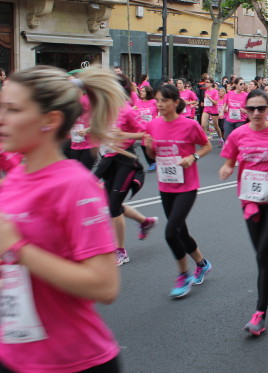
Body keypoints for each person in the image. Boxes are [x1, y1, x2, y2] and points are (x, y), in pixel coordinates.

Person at [0, 66, 124, 372]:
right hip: (13, 356)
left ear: (50, 120)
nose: (2, 118)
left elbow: (104, 286)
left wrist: (18, 247)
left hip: (74, 362)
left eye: (13, 110)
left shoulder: (74, 185)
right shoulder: (14, 180)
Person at [219, 89, 268, 335]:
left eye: (261, 108)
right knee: (261, 251)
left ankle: (260, 314)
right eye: (251, 109)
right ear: (244, 110)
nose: (256, 113)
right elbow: (229, 159)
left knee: (262, 254)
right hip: (250, 200)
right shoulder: (238, 134)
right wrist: (226, 168)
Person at [143, 84, 214, 298]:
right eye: (157, 100)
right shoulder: (153, 125)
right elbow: (153, 156)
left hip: (187, 186)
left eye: (164, 100)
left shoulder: (190, 125)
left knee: (171, 231)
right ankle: (202, 263)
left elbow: (207, 146)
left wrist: (193, 157)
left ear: (175, 101)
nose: (160, 104)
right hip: (166, 184)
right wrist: (147, 147)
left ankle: (184, 275)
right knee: (181, 231)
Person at [95, 74, 156, 266]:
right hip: (107, 160)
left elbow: (146, 133)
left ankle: (120, 251)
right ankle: (145, 222)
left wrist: (124, 135)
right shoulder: (104, 108)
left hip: (125, 161)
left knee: (113, 207)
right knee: (112, 203)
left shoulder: (127, 110)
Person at [201, 77, 224, 147]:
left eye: (207, 82)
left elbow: (216, 103)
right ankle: (205, 141)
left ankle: (221, 138)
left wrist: (209, 98)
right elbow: (206, 101)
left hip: (213, 110)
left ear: (211, 84)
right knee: (203, 125)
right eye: (205, 82)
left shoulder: (215, 92)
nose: (206, 83)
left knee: (216, 126)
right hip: (206, 109)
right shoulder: (206, 91)